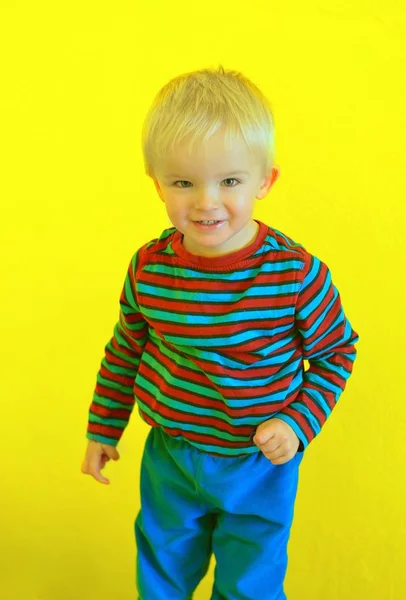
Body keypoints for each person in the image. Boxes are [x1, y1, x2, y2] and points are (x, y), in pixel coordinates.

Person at [81, 65, 359, 600]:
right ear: (158, 183)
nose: (206, 202)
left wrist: (297, 422)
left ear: (264, 181)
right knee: (161, 569)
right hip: (172, 454)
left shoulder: (296, 275)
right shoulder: (149, 267)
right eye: (184, 183)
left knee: (249, 583)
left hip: (257, 463)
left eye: (229, 181)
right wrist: (103, 428)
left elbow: (337, 352)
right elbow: (125, 349)